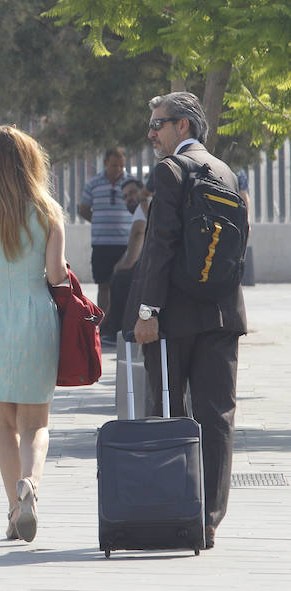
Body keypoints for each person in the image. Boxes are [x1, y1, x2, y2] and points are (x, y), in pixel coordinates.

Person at [128, 91, 246, 550]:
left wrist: (147, 312)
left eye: (159, 123)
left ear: (185, 127)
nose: (151, 132)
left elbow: (162, 245)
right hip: (223, 311)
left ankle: (174, 507)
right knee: (216, 416)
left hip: (173, 317)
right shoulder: (226, 172)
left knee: (167, 410)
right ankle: (210, 517)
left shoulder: (171, 170)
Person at [0, 125, 67, 543]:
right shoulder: (48, 210)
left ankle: (12, 510)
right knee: (37, 421)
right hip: (35, 314)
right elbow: (56, 275)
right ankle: (31, 487)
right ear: (31, 161)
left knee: (4, 423)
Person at [79, 147, 133, 319]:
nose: (117, 169)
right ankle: (103, 322)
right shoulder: (93, 184)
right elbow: (84, 209)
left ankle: (121, 321)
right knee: (103, 285)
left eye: (121, 166)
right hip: (101, 244)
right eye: (114, 165)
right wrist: (100, 221)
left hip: (126, 244)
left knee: (124, 284)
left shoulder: (131, 184)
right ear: (105, 164)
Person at [99, 177, 146, 345]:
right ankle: (108, 325)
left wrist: (126, 265)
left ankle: (114, 331)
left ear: (143, 191)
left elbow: (138, 235)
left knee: (121, 279)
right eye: (125, 197)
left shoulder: (143, 207)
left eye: (133, 193)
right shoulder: (142, 210)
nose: (129, 198)